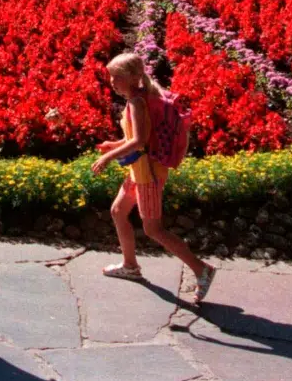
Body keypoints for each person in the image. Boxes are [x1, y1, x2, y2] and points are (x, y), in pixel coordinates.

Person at [91, 51, 217, 304]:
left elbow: (138, 142)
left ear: (133, 78)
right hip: (140, 170)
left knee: (153, 229)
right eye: (111, 77)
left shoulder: (138, 103)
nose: (112, 82)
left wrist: (107, 157)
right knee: (118, 211)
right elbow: (140, 138)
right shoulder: (139, 99)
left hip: (147, 174)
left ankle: (201, 270)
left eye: (117, 77)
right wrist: (113, 144)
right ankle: (130, 266)